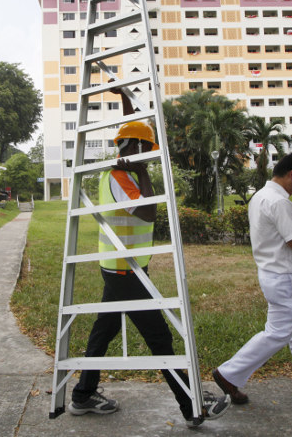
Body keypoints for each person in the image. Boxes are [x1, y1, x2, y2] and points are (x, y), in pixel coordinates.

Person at [69, 89, 229, 428]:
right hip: (125, 272)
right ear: (136, 150)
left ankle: (83, 395)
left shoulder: (125, 168)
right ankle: (192, 404)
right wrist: (143, 174)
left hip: (121, 268)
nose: (150, 154)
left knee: (103, 332)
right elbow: (147, 214)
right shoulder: (120, 177)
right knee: (159, 337)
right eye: (147, 149)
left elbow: (131, 128)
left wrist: (126, 95)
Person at [212, 153, 292, 404]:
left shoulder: (260, 196)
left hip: (272, 273)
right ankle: (230, 373)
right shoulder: (281, 202)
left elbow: (279, 232)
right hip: (284, 277)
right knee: (278, 332)